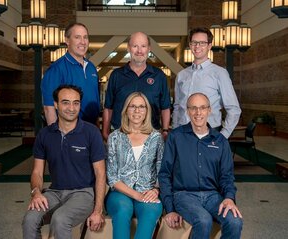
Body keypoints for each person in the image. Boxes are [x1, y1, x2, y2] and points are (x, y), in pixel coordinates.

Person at [22, 85, 106, 238]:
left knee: (60, 219)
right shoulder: (45, 134)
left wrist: (98, 210)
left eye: (76, 103)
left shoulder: (91, 132)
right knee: (29, 219)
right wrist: (36, 192)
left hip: (83, 193)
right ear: (56, 104)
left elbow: (100, 173)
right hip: (54, 192)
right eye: (65, 102)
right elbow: (37, 172)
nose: (71, 108)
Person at [159, 92, 243, 239]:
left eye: (203, 108)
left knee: (235, 221)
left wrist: (229, 197)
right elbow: (165, 174)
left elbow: (227, 176)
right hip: (184, 195)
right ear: (187, 111)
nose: (198, 112)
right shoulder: (175, 137)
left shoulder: (220, 141)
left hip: (213, 196)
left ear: (209, 110)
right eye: (194, 108)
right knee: (203, 220)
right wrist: (170, 209)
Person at [105, 92, 164, 239]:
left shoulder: (156, 138)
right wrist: (136, 195)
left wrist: (156, 189)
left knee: (150, 212)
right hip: (120, 192)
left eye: (141, 107)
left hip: (148, 192)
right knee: (122, 210)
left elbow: (161, 169)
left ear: (147, 111)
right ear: (126, 110)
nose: (137, 111)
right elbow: (111, 176)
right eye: (133, 106)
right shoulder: (115, 137)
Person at [172, 27, 241, 138]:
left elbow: (234, 109)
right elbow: (177, 107)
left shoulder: (219, 73)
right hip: (182, 133)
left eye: (202, 43)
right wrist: (174, 132)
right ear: (190, 45)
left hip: (209, 133)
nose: (197, 46)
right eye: (194, 42)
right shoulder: (181, 75)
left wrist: (223, 136)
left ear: (209, 46)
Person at [102, 31, 171, 141]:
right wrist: (105, 133)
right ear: (128, 48)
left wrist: (165, 130)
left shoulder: (159, 76)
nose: (139, 51)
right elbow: (108, 107)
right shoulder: (116, 75)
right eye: (135, 46)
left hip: (151, 136)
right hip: (120, 135)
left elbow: (165, 107)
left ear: (149, 49)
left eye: (143, 46)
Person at [41, 22, 100, 126]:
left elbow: (94, 102)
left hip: (92, 130)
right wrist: (56, 137)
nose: (83, 42)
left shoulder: (91, 68)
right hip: (69, 131)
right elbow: (49, 108)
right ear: (67, 40)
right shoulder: (56, 69)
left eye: (85, 37)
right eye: (77, 37)